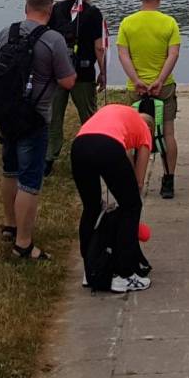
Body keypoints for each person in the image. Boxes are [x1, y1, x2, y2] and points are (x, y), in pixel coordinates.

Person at [0, 0, 77, 261]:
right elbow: (68, 82)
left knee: (10, 170)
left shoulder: (6, 33)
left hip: (6, 113)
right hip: (34, 117)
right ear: (50, 10)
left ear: (25, 7)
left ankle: (10, 224)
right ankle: (24, 244)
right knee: (29, 179)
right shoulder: (53, 39)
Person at [70, 101, 152, 293]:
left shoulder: (118, 113)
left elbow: (123, 159)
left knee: (91, 207)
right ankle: (124, 274)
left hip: (79, 145)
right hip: (107, 146)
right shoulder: (145, 130)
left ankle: (91, 269)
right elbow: (138, 182)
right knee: (131, 206)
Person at [115, 0, 182, 198]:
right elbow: (173, 54)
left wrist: (136, 79)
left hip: (137, 89)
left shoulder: (127, 23)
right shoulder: (169, 23)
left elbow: (123, 55)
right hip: (164, 88)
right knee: (168, 133)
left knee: (134, 136)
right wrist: (160, 80)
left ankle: (134, 180)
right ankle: (168, 180)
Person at [46, 0, 106, 170]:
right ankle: (91, 154)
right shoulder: (93, 13)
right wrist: (103, 71)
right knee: (88, 116)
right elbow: (99, 47)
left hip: (57, 72)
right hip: (83, 73)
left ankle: (49, 156)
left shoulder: (55, 10)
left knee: (54, 116)